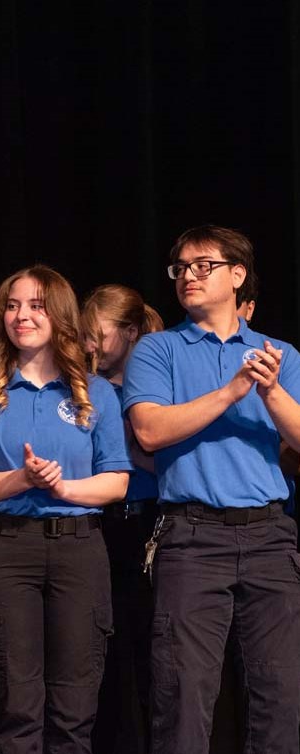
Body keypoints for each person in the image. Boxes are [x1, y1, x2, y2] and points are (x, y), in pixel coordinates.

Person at [123, 225, 300, 754]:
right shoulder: (159, 350)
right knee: (183, 695)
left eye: (204, 265)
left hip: (270, 535)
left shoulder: (280, 355)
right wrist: (231, 390)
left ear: (237, 275)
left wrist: (268, 390)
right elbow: (150, 431)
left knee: (281, 695)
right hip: (192, 537)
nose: (188, 276)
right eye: (179, 268)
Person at [0, 264, 132, 753]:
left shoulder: (94, 392)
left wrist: (62, 488)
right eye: (12, 305)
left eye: (35, 305)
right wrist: (20, 479)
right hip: (5, 550)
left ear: (60, 314)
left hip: (77, 549)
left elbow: (117, 482)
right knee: (15, 706)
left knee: (75, 709)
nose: (21, 315)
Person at [80, 284, 164, 754]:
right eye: (84, 336)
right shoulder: (87, 390)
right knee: (102, 655)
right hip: (102, 524)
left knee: (155, 655)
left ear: (131, 332)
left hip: (150, 523)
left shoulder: (155, 388)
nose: (89, 346)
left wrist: (136, 441)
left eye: (98, 335)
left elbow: (159, 458)